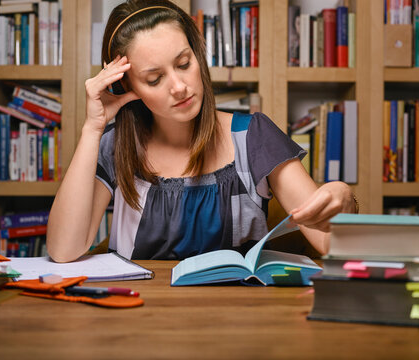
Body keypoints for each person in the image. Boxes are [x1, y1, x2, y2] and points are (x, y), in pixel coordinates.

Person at [47, 0, 358, 263]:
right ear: (127, 86)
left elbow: (331, 244)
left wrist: (345, 199)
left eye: (184, 63)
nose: (179, 87)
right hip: (138, 318)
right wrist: (93, 127)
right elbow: (63, 251)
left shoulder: (253, 136)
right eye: (154, 79)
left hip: (241, 318)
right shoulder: (116, 145)